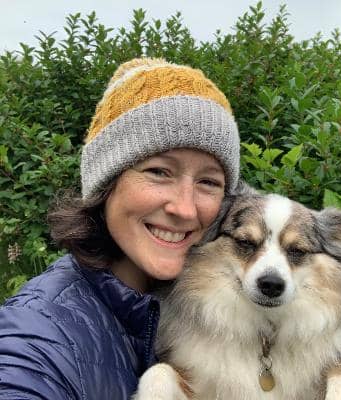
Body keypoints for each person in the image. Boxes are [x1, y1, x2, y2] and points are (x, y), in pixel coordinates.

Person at [0, 58, 240, 399]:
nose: (185, 209)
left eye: (208, 182)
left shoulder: (219, 309)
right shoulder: (39, 333)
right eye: (159, 172)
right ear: (106, 183)